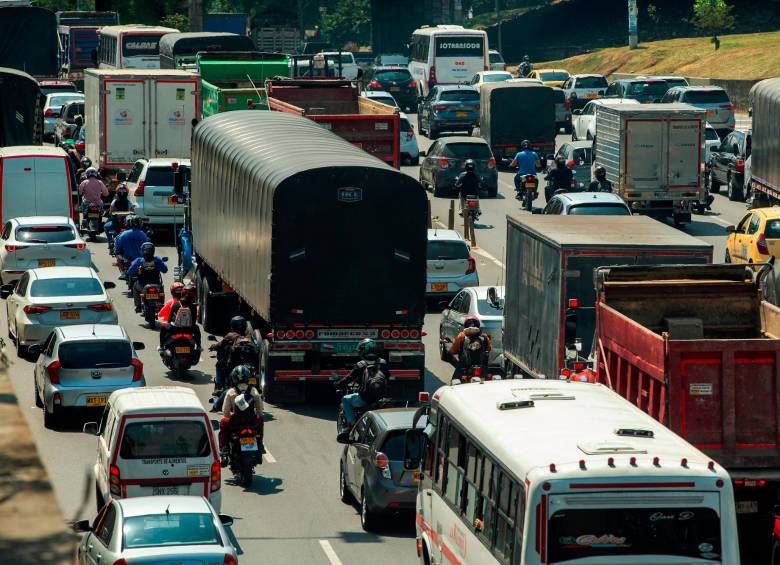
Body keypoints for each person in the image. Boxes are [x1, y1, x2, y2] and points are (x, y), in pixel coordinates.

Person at [335, 339, 389, 429]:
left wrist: (338, 384)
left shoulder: (361, 365)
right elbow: (387, 377)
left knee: (345, 399)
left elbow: (348, 378)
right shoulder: (383, 363)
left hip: (365, 398)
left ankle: (351, 423)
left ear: (364, 351)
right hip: (381, 397)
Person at [219, 365, 264, 465]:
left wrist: (234, 414)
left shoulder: (230, 392)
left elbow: (225, 412)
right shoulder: (254, 391)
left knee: (223, 422)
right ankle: (260, 444)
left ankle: (224, 450)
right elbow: (260, 411)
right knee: (261, 419)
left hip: (235, 424)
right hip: (252, 423)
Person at [209, 315, 251, 393]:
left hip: (231, 363)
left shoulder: (230, 335)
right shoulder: (248, 337)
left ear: (233, 325)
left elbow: (220, 345)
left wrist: (213, 347)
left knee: (218, 365)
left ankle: (219, 386)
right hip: (245, 365)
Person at [448, 317, 492, 381]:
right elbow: (489, 349)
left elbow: (453, 350)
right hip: (481, 366)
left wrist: (451, 352)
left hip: (464, 367)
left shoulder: (461, 335)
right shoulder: (484, 336)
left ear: (466, 325)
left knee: (454, 382)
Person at [128, 242, 168, 312]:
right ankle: (161, 303)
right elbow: (165, 270)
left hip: (142, 286)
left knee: (134, 286)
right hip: (156, 285)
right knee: (161, 288)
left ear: (142, 251)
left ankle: (138, 306)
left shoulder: (138, 260)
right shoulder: (157, 259)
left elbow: (130, 271)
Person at [104, 183, 135, 249]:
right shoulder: (129, 203)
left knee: (106, 227)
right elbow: (133, 213)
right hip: (126, 224)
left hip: (116, 224)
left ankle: (110, 243)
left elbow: (110, 213)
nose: (122, 193)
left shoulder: (114, 202)